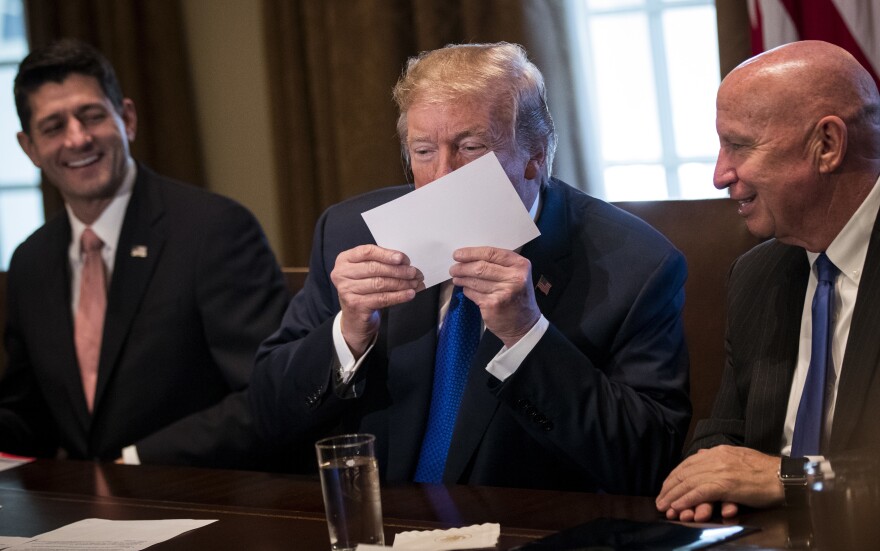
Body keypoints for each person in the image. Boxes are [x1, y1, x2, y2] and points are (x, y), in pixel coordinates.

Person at [251, 42, 690, 495]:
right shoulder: (352, 232)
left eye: (471, 147)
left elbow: (648, 459)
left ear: (535, 155)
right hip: (381, 517)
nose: (443, 175)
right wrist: (347, 334)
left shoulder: (638, 265)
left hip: (527, 523)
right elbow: (265, 418)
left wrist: (526, 334)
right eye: (423, 151)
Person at [1, 39, 289, 468]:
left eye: (92, 116)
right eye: (53, 127)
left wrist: (135, 461)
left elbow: (268, 392)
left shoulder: (214, 230)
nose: (77, 138)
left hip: (198, 493)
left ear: (127, 118)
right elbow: (31, 418)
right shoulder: (30, 261)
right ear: (30, 149)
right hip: (81, 505)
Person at [656, 40, 880, 522]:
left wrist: (793, 478)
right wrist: (709, 483)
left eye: (739, 146)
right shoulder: (756, 274)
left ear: (827, 145)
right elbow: (724, 433)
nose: (720, 175)